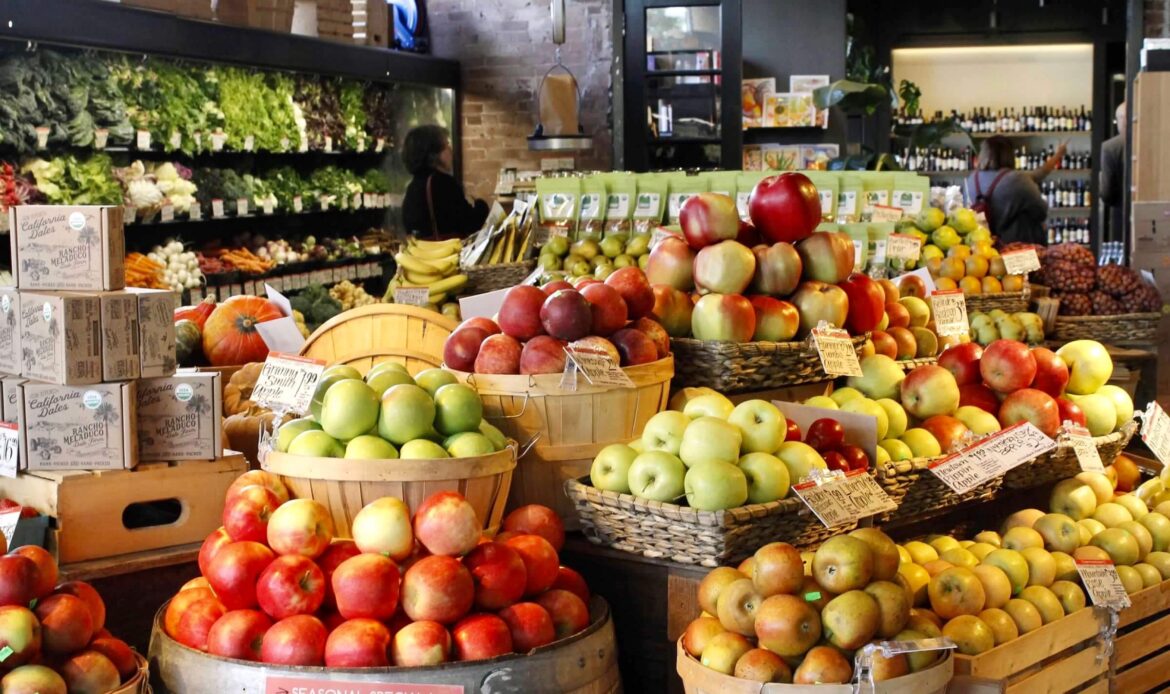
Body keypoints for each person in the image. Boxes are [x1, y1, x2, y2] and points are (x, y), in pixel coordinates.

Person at [964, 135, 1066, 246]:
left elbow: (1036, 175)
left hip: (984, 250)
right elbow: (1041, 211)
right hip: (1017, 250)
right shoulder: (1017, 179)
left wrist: (1057, 156)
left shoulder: (971, 179)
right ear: (1009, 154)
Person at [401, 125, 489, 238]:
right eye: (446, 145)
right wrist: (481, 204)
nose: (451, 150)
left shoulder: (413, 187)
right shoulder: (443, 184)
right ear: (434, 155)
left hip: (423, 254)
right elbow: (471, 224)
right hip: (446, 254)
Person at [1100, 102, 1126, 240]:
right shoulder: (1151, 141)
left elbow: (1106, 193)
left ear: (1121, 119)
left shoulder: (1110, 147)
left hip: (1120, 213)